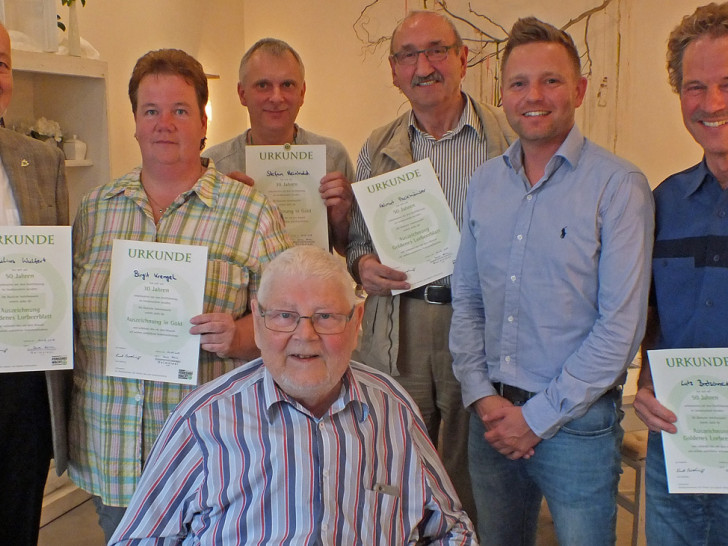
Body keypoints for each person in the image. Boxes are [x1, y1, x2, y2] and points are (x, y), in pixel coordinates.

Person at [108, 245, 476, 545]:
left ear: (357, 320)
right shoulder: (204, 420)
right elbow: (139, 538)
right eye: (285, 316)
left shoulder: (392, 409)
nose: (306, 335)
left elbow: (451, 529)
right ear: (256, 318)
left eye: (326, 316)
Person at [69, 48, 291, 542]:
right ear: (134, 122)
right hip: (116, 456)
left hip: (213, 456)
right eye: (151, 111)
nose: (164, 124)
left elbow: (292, 320)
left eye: (180, 110)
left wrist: (237, 335)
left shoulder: (251, 212)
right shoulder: (95, 210)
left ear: (204, 121)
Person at [450, 17, 654, 545]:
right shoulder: (485, 183)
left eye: (551, 81)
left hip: (578, 427)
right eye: (519, 83)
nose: (533, 96)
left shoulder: (619, 186)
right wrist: (479, 394)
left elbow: (620, 329)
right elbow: (469, 301)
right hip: (490, 421)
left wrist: (535, 418)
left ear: (580, 89)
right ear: (502, 93)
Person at [346, 10, 514, 519]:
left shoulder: (505, 138)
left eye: (437, 51)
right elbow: (357, 241)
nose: (424, 66)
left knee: (475, 464)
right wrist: (362, 267)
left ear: (463, 59)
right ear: (395, 72)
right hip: (403, 322)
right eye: (408, 55)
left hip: (480, 321)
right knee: (398, 457)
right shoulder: (377, 146)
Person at [633, 3, 728, 544]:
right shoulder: (663, 202)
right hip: (679, 450)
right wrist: (645, 378)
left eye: (727, 83)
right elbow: (650, 312)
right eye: (696, 87)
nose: (711, 104)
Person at [0, 22, 70, 546]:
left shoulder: (41, 160)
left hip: (23, 386)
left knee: (18, 517)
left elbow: (60, 270)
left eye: (1, 64)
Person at [203, 38, 354, 255]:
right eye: (263, 85)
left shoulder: (332, 157)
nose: (276, 97)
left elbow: (351, 249)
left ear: (302, 93)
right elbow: (204, 250)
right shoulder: (214, 165)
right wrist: (222, 212)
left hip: (312, 285)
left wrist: (341, 218)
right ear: (242, 93)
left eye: (287, 85)